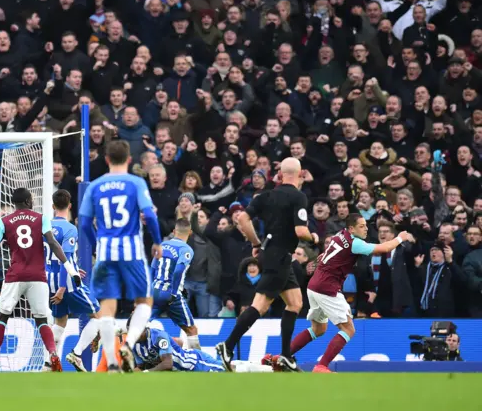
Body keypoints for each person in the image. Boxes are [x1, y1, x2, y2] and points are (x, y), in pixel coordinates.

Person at [216, 157, 319, 372]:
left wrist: (255, 243)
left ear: (279, 175)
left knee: (295, 303)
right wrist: (315, 238)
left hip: (274, 255)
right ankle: (227, 346)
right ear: (300, 175)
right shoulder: (298, 197)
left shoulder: (266, 196)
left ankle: (286, 357)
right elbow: (301, 231)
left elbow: (242, 219)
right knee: (260, 306)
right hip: (280, 257)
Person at [0, 188, 80, 372]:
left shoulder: (4, 222)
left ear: (14, 203)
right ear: (29, 201)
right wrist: (70, 269)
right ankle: (53, 353)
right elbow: (53, 243)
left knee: (2, 317)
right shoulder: (41, 218)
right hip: (38, 276)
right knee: (42, 319)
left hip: (15, 276)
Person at [287, 213, 412, 373]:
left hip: (314, 286)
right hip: (327, 288)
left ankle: (282, 356)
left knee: (319, 329)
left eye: (366, 225)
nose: (366, 228)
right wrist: (400, 238)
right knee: (348, 329)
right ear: (351, 229)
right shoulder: (355, 243)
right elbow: (385, 248)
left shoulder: (340, 236)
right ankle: (321, 366)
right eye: (361, 226)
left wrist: (315, 263)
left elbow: (325, 255)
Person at [78, 140, 162, 373]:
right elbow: (149, 215)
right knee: (144, 302)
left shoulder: (95, 186)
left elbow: (84, 222)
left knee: (107, 307)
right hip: (132, 251)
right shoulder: (135, 182)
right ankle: (128, 344)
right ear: (129, 159)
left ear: (106, 160)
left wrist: (97, 245)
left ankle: (112, 363)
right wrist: (156, 241)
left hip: (105, 252)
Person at [42, 189, 101, 372]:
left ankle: (47, 363)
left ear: (52, 206)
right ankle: (76, 353)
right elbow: (63, 259)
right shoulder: (70, 228)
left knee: (60, 322)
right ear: (69, 206)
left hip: (48, 279)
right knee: (98, 316)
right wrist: (62, 287)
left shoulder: (44, 227)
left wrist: (74, 267)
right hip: (65, 282)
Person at [132, 325, 272, 373]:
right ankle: (260, 363)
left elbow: (167, 364)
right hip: (184, 368)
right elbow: (140, 366)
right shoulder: (135, 345)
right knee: (227, 366)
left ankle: (268, 369)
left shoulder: (158, 335)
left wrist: (146, 372)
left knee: (228, 370)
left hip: (194, 364)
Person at [150, 218, 200, 349]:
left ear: (173, 231)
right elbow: (178, 271)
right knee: (191, 330)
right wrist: (172, 292)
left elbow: (152, 269)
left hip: (154, 291)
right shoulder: (186, 249)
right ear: (190, 232)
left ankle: (117, 334)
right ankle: (200, 362)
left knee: (139, 326)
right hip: (171, 294)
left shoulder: (162, 245)